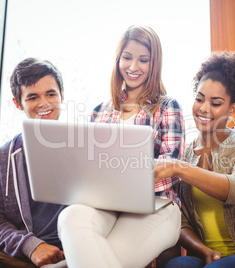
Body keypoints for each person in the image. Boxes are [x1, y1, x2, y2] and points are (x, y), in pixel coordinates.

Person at [57, 25, 185, 268]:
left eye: (143, 60)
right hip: (106, 205)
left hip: (157, 206)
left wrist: (127, 182)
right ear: (118, 59)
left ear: (154, 63)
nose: (133, 67)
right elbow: (87, 166)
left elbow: (170, 170)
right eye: (127, 57)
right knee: (70, 216)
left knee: (103, 256)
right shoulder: (100, 111)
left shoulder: (168, 107)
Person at [154, 51, 235, 268]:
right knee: (177, 265)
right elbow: (181, 219)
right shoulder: (185, 152)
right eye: (199, 99)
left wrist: (180, 168)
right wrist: (205, 251)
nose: (204, 109)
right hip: (207, 255)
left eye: (215, 103)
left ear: (232, 108)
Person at [0, 58, 67, 267]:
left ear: (62, 95)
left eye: (51, 94)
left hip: (74, 252)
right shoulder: (0, 159)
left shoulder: (87, 146)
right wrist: (32, 246)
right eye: (33, 97)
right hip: (20, 255)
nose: (44, 103)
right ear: (17, 102)